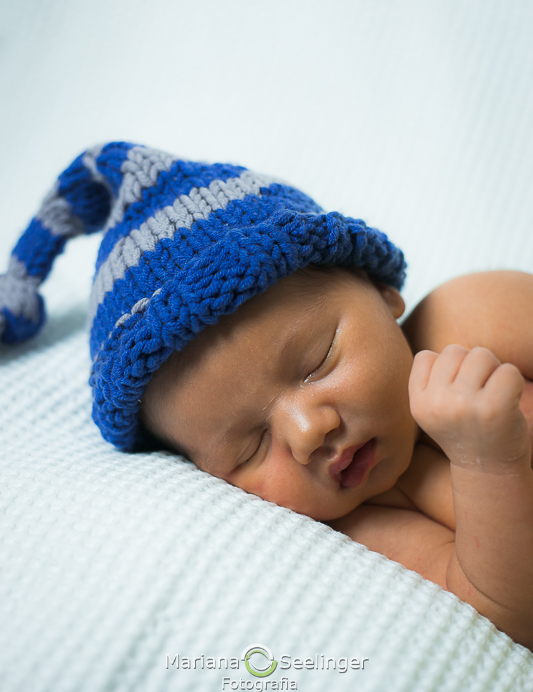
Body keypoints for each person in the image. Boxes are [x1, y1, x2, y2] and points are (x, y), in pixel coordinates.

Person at [1, 142, 532, 650]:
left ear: (381, 290)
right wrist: (488, 466)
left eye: (318, 361)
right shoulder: (370, 518)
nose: (307, 432)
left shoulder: (466, 319)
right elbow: (511, 614)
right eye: (250, 447)